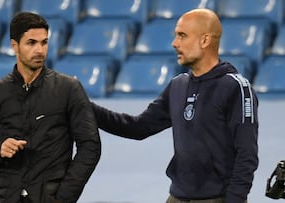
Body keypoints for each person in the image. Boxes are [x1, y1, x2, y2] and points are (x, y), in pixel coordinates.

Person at [91, 8, 258, 203]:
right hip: (176, 198)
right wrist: (85, 107)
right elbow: (137, 127)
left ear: (204, 40)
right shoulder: (178, 85)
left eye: (182, 36)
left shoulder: (235, 87)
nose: (174, 43)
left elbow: (246, 156)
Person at [0, 12, 101, 203]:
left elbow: (90, 146)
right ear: (15, 46)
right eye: (31, 43)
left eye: (44, 42)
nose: (40, 50)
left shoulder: (69, 89)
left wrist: (64, 197)